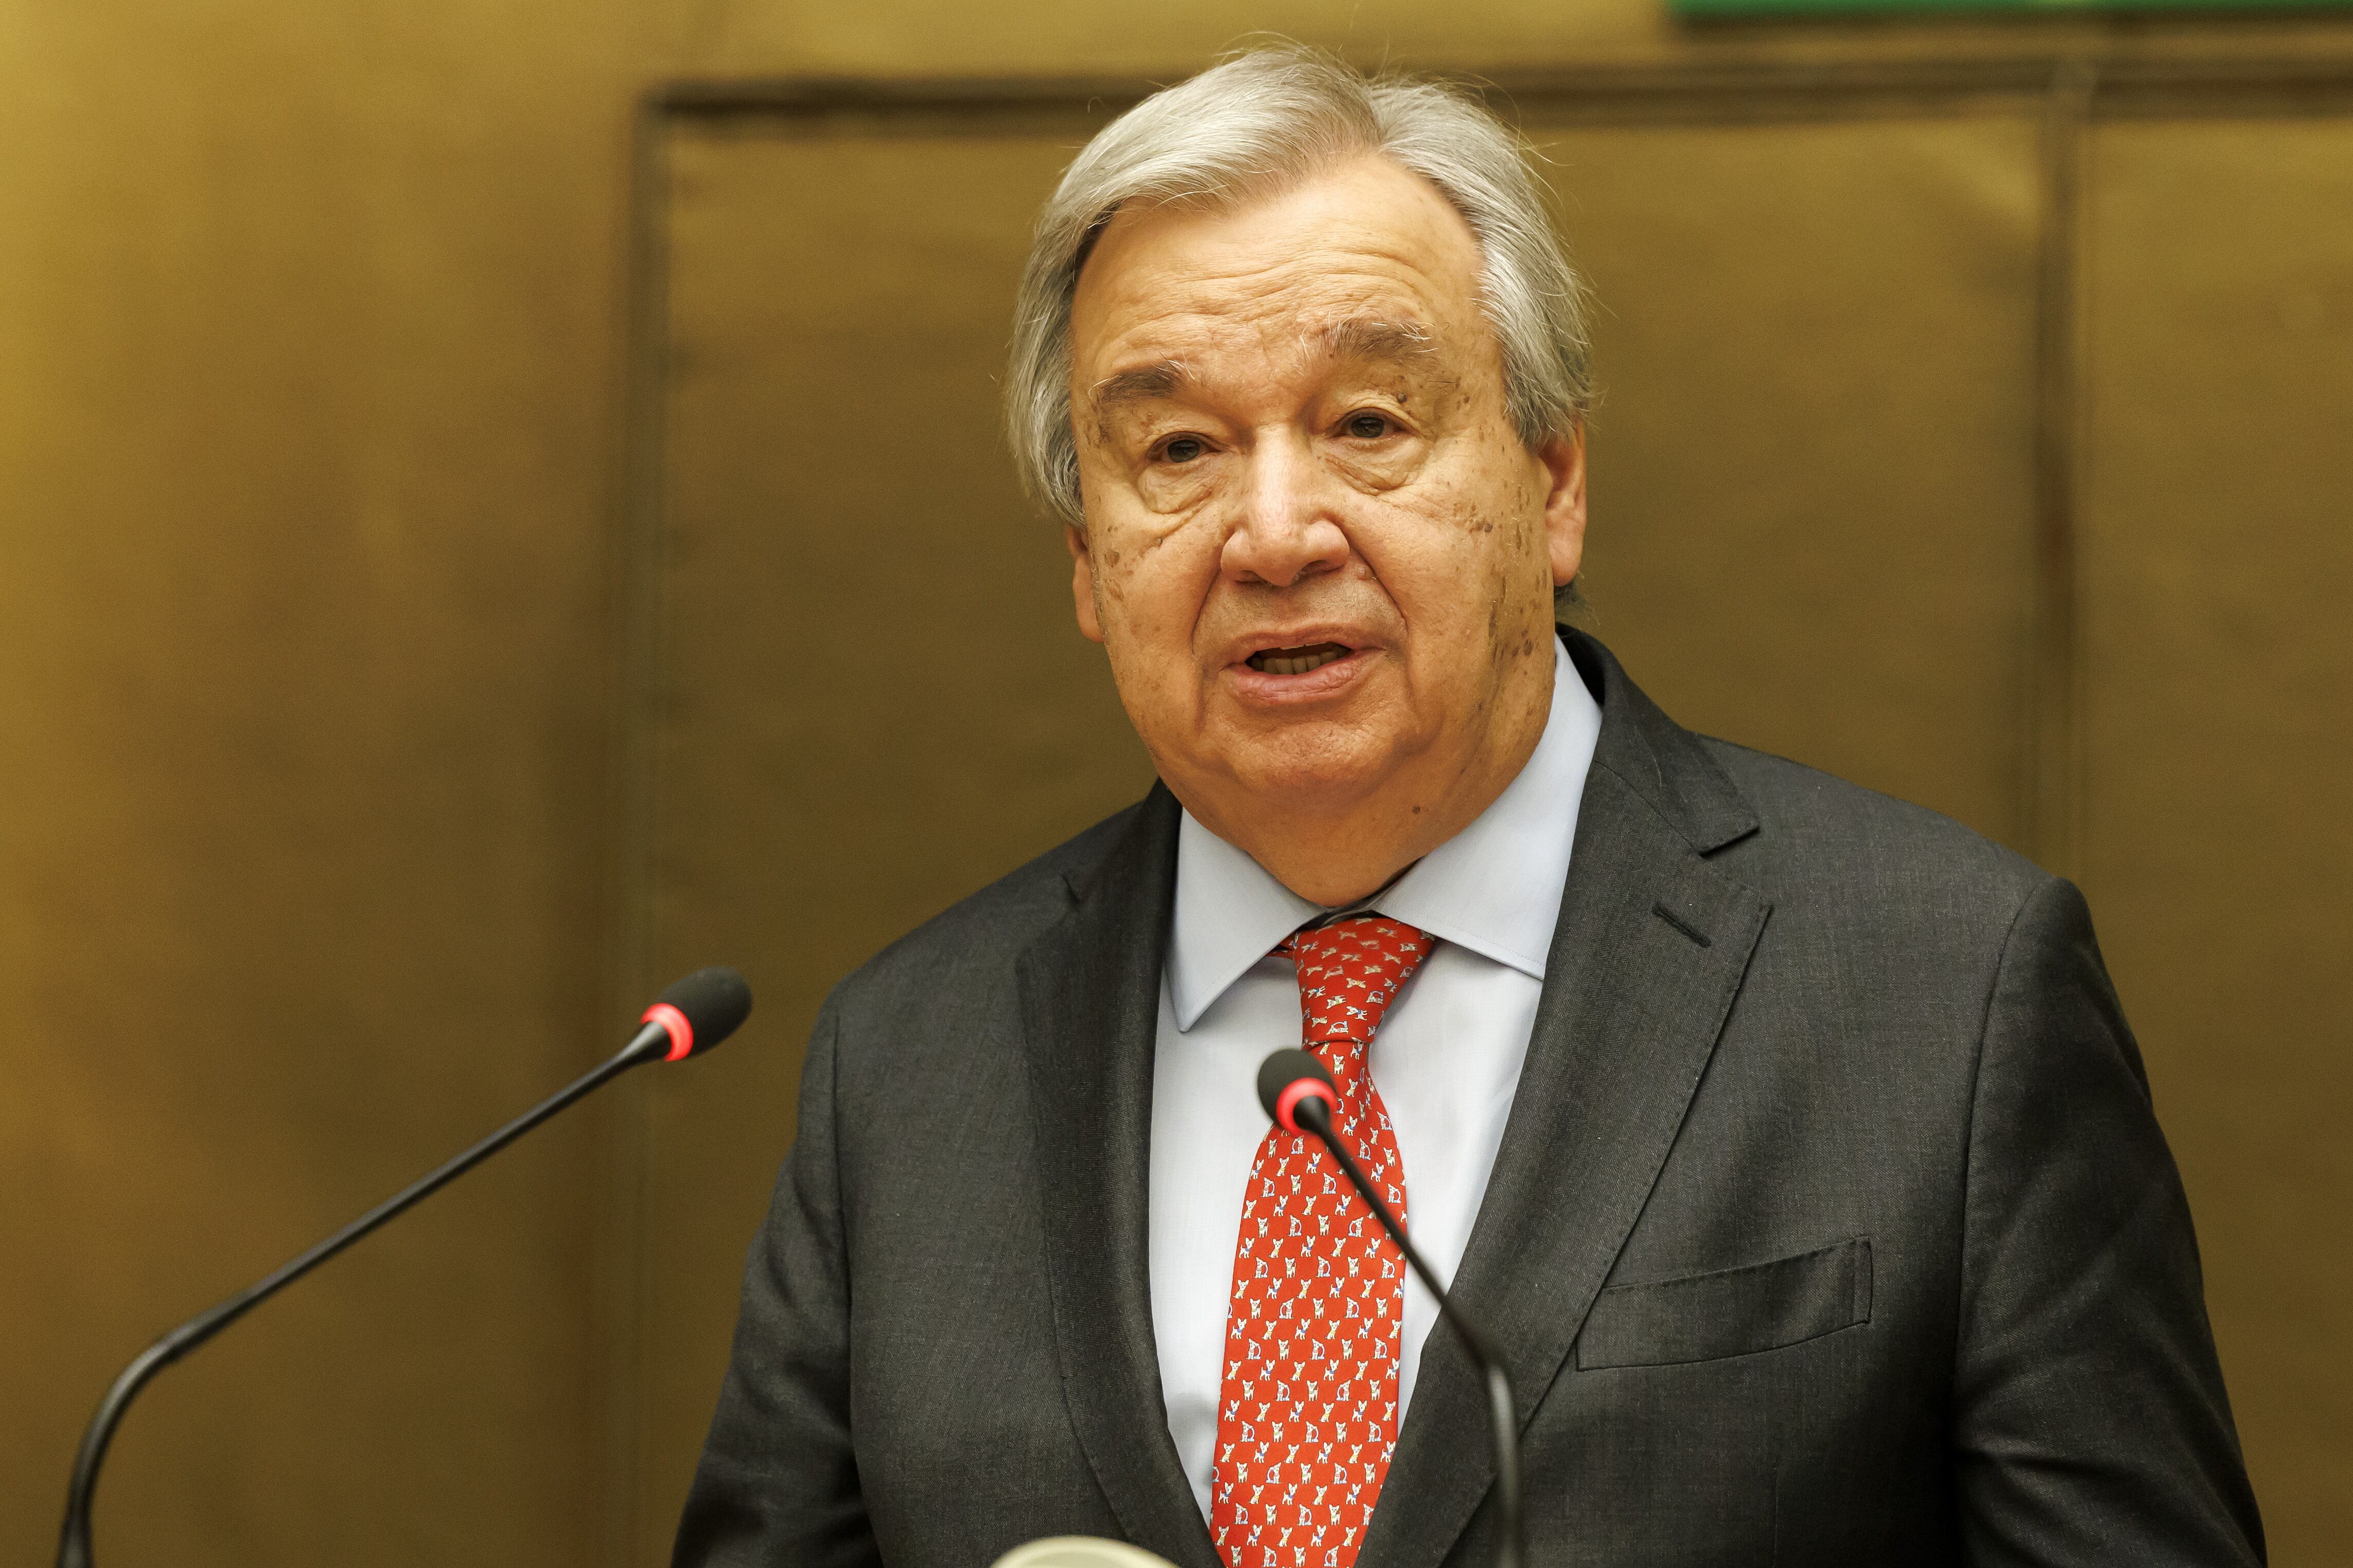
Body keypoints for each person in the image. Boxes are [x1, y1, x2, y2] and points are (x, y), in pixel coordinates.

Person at [672, 47, 2263, 1568]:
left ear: (1552, 483)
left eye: (1368, 423)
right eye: (1174, 449)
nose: (1273, 530)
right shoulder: (905, 1065)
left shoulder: (1944, 994)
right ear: (1087, 564)